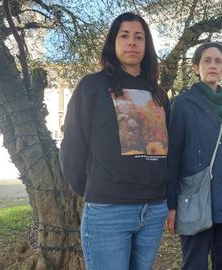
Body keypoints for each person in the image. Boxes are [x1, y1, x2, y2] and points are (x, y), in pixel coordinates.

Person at [59, 12, 169, 270]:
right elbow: (72, 148)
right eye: (125, 35)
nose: (132, 42)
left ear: (146, 45)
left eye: (139, 37)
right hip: (108, 209)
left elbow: (168, 146)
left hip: (154, 210)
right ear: (113, 42)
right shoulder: (91, 86)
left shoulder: (158, 93)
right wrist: (96, 189)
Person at [166, 42, 222, 270]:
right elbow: (172, 156)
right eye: (207, 60)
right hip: (197, 197)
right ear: (197, 68)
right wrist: (171, 204)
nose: (213, 65)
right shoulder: (183, 103)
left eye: (218, 61)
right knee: (194, 263)